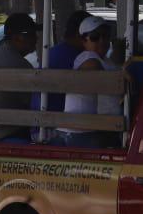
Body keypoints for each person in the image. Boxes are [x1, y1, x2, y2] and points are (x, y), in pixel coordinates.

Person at [60, 18, 122, 148]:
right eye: (94, 37)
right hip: (80, 132)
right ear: (84, 40)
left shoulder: (105, 60)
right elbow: (103, 79)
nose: (102, 41)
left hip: (96, 128)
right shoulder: (88, 58)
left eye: (105, 36)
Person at [0, 12, 40, 141]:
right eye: (32, 34)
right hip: (11, 131)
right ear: (18, 37)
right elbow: (33, 102)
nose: (36, 38)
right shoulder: (20, 65)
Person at [41, 10, 90, 113]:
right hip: (57, 120)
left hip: (42, 119)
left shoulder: (52, 53)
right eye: (94, 36)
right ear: (79, 35)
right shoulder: (81, 58)